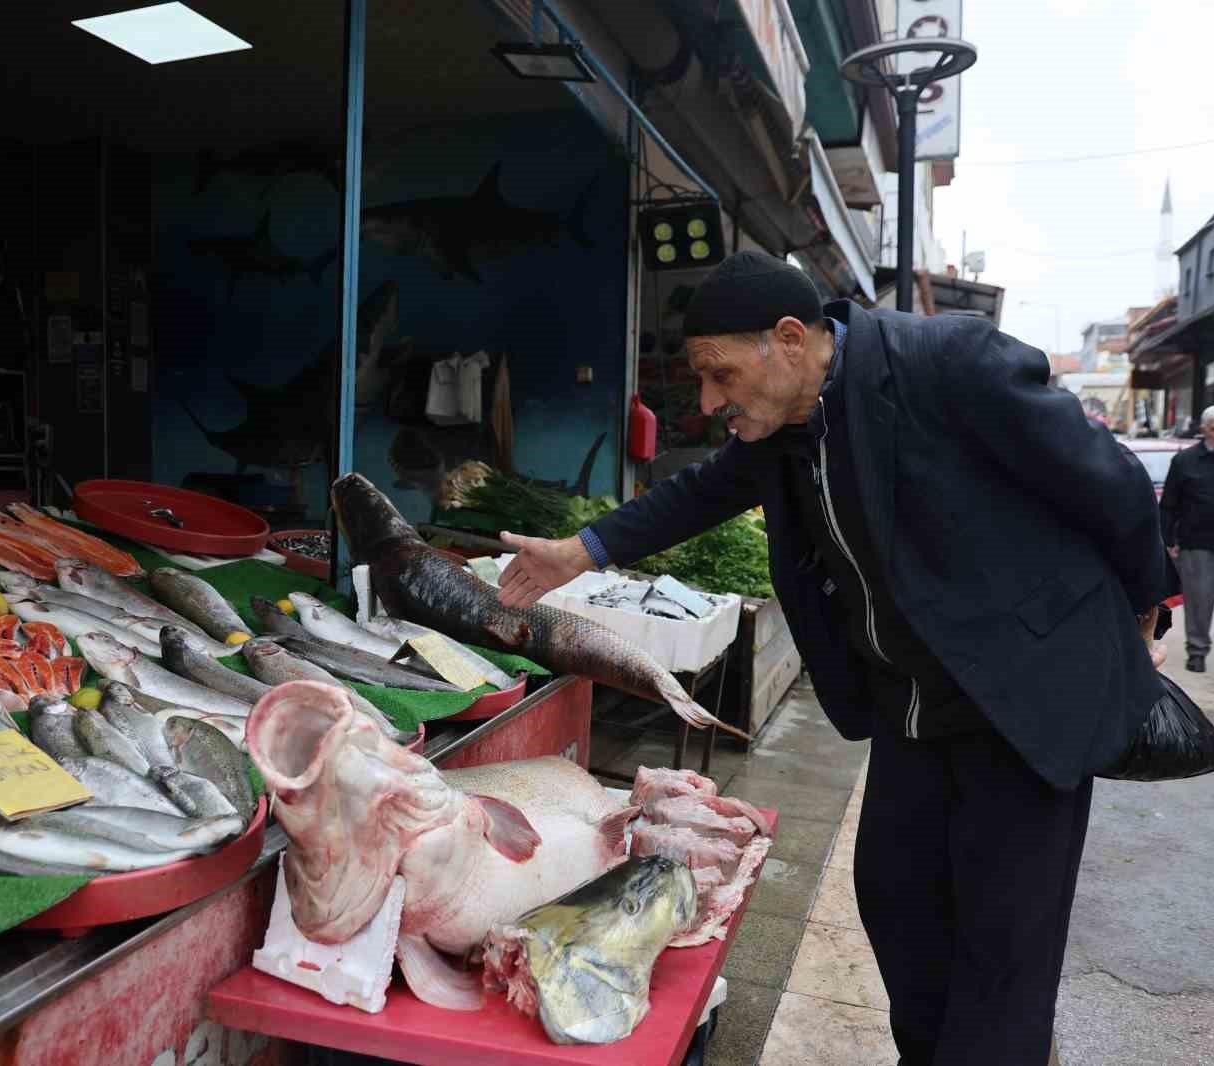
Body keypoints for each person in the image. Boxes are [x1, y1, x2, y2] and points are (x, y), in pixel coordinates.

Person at [496, 251, 1170, 1066]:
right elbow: (701, 490)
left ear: (788, 339)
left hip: (1022, 698)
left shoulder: (947, 364)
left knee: (1003, 940)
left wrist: (1143, 612)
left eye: (719, 375)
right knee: (896, 900)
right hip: (912, 708)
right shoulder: (785, 427)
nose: (708, 402)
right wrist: (582, 549)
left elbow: (1111, 482)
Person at [1159, 404, 1214, 672]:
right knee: (1199, 602)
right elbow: (1169, 505)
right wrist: (1168, 540)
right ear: (1204, 430)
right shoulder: (1185, 461)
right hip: (1197, 544)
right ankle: (1197, 651)